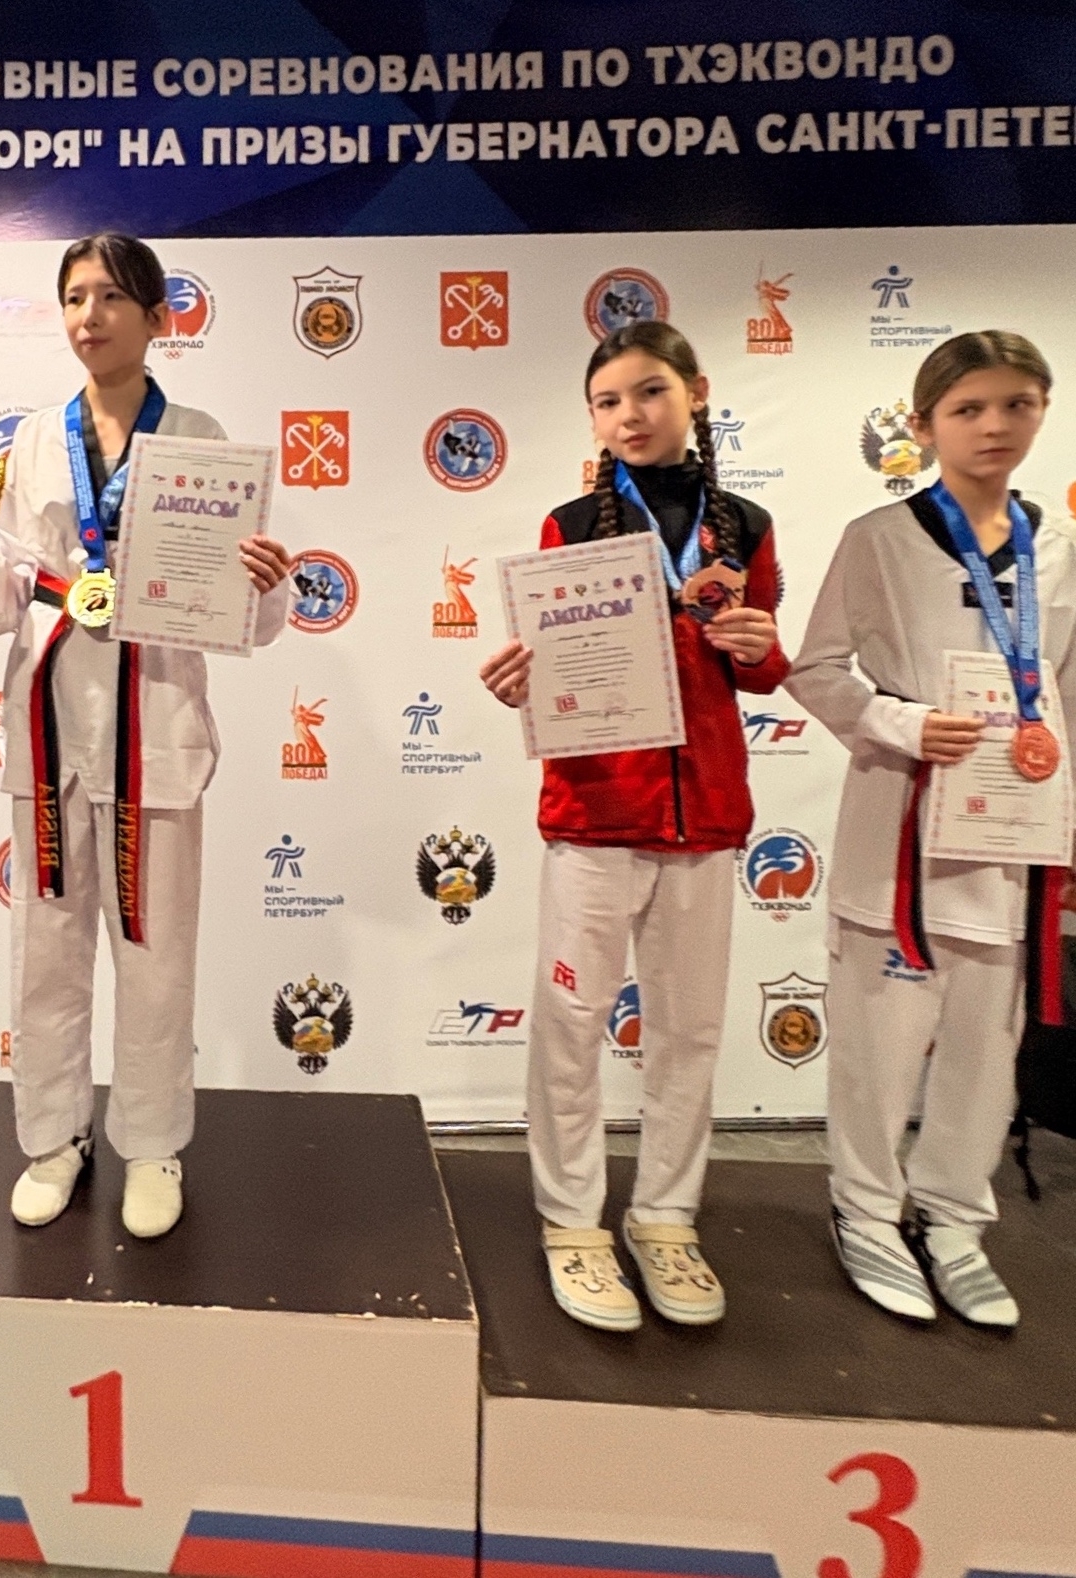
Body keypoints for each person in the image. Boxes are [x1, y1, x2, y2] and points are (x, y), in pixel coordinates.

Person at [0, 233, 292, 1239]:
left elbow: (241, 615)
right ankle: (53, 1137)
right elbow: (2, 588)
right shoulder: (27, 442)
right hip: (51, 716)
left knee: (154, 951)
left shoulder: (200, 436)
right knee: (46, 947)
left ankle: (151, 1145)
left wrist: (263, 587)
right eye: (73, 297)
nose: (87, 316)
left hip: (157, 725)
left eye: (108, 297)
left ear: (156, 316)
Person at [479, 321, 787, 1331]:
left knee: (688, 1032)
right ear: (593, 421)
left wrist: (760, 648)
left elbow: (761, 673)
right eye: (608, 402)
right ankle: (572, 1222)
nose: (630, 415)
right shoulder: (571, 525)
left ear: (695, 392)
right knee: (571, 1025)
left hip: (706, 817)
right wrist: (520, 680)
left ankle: (665, 1217)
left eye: (650, 391)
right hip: (596, 814)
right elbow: (554, 667)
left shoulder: (746, 523)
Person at [787, 330, 1076, 1328]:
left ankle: (955, 1218)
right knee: (879, 1043)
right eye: (968, 409)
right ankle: (867, 1211)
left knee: (985, 1051)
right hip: (900, 832)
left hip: (1011, 841)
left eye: (1016, 405)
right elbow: (816, 670)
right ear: (923, 425)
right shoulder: (879, 539)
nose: (994, 426)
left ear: (1042, 410)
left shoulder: (1061, 547)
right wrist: (900, 722)